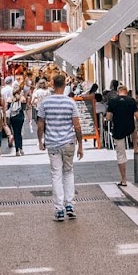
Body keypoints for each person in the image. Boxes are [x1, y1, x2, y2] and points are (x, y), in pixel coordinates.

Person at [35, 74, 83, 221]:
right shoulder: (71, 103)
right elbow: (77, 126)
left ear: (52, 84)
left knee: (56, 174)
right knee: (68, 172)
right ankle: (69, 204)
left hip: (53, 143)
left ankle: (59, 209)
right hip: (69, 142)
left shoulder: (45, 103)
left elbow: (40, 124)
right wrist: (81, 145)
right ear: (64, 85)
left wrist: (40, 140)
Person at [105, 81, 138, 187]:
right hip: (129, 128)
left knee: (121, 155)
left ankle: (124, 179)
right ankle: (135, 146)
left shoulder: (112, 102)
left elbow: (108, 117)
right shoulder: (131, 101)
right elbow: (137, 116)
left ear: (118, 92)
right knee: (134, 129)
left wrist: (109, 118)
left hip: (118, 130)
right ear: (126, 92)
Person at [6, 82, 27, 156]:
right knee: (19, 133)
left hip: (13, 117)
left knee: (15, 132)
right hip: (20, 117)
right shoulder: (22, 98)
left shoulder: (10, 98)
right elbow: (24, 108)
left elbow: (7, 108)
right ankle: (21, 148)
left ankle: (17, 150)